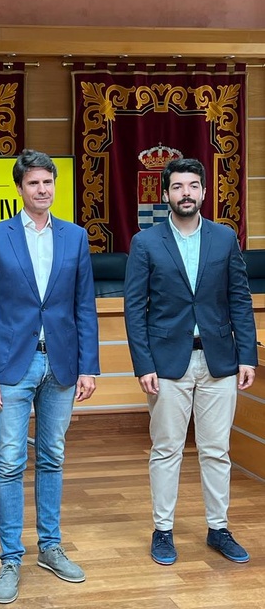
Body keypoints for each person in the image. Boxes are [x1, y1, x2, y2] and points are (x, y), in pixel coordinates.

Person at [0, 149, 99, 604]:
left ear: (54, 185)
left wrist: (89, 365)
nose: (42, 190)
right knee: (10, 461)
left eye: (47, 182)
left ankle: (50, 547)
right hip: (12, 366)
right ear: (19, 188)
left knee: (53, 457)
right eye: (33, 183)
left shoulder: (75, 237)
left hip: (62, 364)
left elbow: (84, 306)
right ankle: (10, 557)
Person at [124, 157, 257, 567]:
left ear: (203, 192)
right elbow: (134, 308)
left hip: (219, 361)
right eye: (178, 186)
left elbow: (239, 298)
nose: (186, 193)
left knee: (217, 450)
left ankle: (218, 529)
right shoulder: (145, 243)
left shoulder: (223, 238)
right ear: (166, 194)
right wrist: (143, 364)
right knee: (167, 449)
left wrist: (247, 355)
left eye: (193, 186)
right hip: (166, 365)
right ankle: (162, 531)